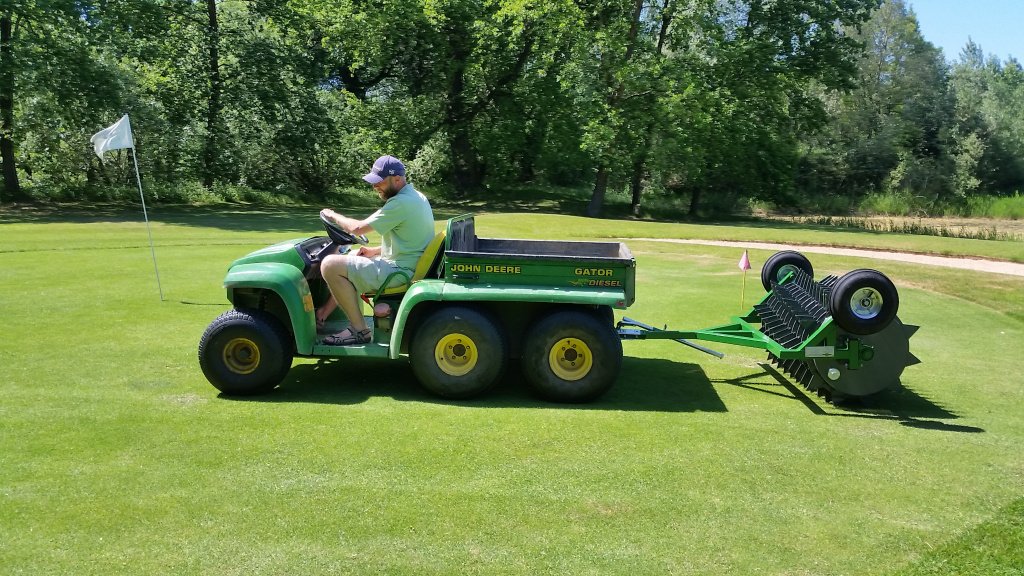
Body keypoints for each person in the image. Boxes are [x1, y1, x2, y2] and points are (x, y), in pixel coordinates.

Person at [316, 155, 435, 345]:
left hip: (399, 272)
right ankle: (323, 314)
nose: (375, 186)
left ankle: (359, 330)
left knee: (329, 264)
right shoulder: (416, 197)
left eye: (379, 182)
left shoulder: (400, 203)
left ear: (396, 179)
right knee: (350, 255)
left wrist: (331, 214)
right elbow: (411, 242)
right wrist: (375, 251)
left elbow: (357, 228)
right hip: (408, 263)